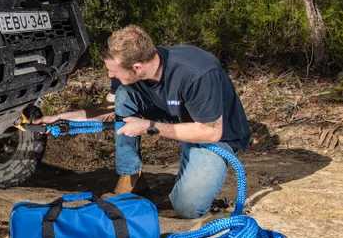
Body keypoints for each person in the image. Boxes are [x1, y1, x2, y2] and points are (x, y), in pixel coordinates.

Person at [37, 25, 251, 219]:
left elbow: (211, 132)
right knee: (123, 95)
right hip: (173, 117)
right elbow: (106, 109)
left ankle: (189, 179)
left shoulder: (196, 72)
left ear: (137, 67)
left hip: (213, 136)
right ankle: (131, 179)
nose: (109, 74)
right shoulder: (131, 68)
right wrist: (60, 118)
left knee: (187, 207)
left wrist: (150, 126)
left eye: (113, 71)